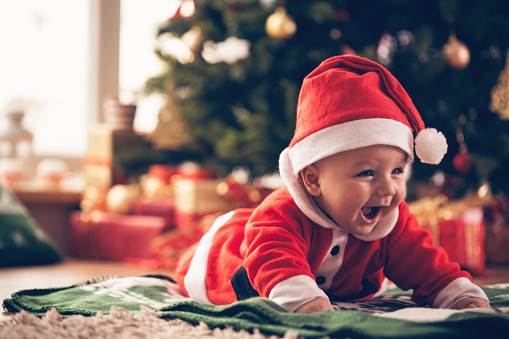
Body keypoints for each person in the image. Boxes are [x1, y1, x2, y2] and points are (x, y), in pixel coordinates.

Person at [175, 55, 490, 313]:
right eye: (367, 173)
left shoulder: (390, 221)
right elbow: (275, 260)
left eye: (397, 171)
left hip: (338, 284)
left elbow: (426, 263)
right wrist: (303, 302)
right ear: (313, 179)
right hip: (240, 254)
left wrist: (458, 294)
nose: (389, 188)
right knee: (228, 258)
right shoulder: (282, 216)